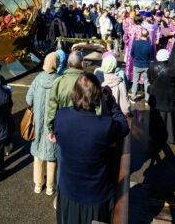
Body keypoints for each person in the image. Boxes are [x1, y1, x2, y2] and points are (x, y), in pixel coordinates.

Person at [53, 74, 130, 223]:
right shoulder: (104, 126)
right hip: (96, 197)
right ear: (97, 96)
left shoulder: (61, 116)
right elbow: (123, 126)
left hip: (68, 191)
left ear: (75, 92)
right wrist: (111, 103)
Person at [26, 52, 59, 195]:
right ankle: (50, 187)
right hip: (53, 124)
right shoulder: (59, 80)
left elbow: (28, 99)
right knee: (52, 156)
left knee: (38, 155)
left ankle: (38, 185)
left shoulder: (38, 78)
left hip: (38, 124)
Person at [45, 52, 101, 137]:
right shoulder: (90, 81)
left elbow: (52, 109)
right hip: (86, 129)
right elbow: (98, 108)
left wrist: (51, 129)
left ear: (68, 63)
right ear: (82, 64)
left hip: (64, 128)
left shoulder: (58, 82)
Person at [148, 50, 175, 144]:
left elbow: (149, 78)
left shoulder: (152, 66)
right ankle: (170, 137)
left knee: (155, 116)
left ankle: (155, 136)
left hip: (155, 95)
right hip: (168, 96)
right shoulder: (172, 68)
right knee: (169, 117)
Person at [130, 28, 154, 103]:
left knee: (135, 81)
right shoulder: (150, 45)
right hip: (146, 65)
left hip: (137, 64)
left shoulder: (135, 43)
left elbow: (132, 54)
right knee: (147, 82)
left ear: (140, 34)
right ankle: (147, 99)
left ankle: (133, 97)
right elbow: (151, 57)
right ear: (148, 36)